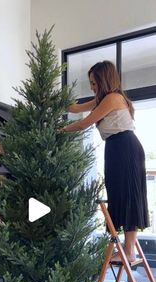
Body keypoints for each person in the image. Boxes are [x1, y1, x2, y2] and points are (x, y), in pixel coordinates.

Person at [62, 60, 149, 263]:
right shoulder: (103, 98)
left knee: (127, 194)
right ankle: (128, 249)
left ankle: (129, 251)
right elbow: (76, 108)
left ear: (104, 80)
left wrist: (60, 131)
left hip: (124, 147)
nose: (92, 87)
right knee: (118, 193)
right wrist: (57, 103)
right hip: (116, 147)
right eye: (91, 83)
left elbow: (84, 123)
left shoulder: (112, 98)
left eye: (94, 83)